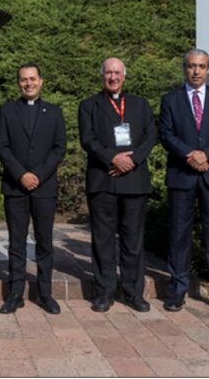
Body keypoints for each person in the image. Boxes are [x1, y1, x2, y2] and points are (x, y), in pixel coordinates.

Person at [158, 49, 209, 313]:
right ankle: (178, 289)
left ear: (208, 68)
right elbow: (166, 134)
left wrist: (207, 155)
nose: (196, 71)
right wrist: (190, 154)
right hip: (182, 175)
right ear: (184, 68)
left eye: (201, 66)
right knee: (179, 235)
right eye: (191, 66)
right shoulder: (171, 99)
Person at [78, 57, 158, 313]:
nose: (113, 77)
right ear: (102, 76)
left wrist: (132, 160)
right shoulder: (89, 105)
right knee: (102, 240)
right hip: (103, 180)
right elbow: (87, 139)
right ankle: (104, 292)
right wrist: (112, 157)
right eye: (108, 73)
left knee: (132, 241)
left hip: (134, 181)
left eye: (117, 73)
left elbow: (151, 135)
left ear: (124, 76)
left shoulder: (139, 104)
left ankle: (133, 293)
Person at [0, 63, 67, 315]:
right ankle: (15, 293)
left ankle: (45, 293)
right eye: (24, 80)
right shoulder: (6, 111)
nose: (28, 83)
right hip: (15, 187)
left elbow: (59, 148)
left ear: (41, 81)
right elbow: (2, 146)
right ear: (18, 83)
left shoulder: (54, 112)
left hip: (45, 187)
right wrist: (21, 174)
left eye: (33, 79)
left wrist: (38, 175)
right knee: (16, 242)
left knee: (45, 241)